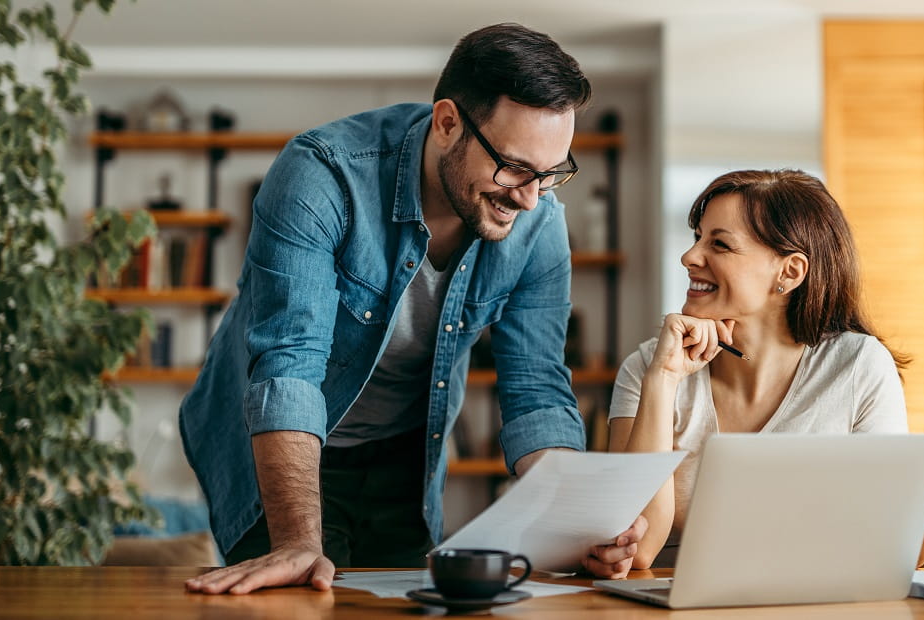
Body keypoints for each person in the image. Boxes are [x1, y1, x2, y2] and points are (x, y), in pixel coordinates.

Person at [178, 23, 643, 595]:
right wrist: (299, 540)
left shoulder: (539, 221)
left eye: (550, 173)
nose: (529, 198)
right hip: (284, 452)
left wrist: (580, 527)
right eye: (516, 167)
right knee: (297, 600)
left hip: (403, 457)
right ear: (448, 123)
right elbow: (289, 364)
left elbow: (538, 390)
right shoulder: (322, 175)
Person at [599, 169, 924, 571]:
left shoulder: (859, 367)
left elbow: (882, 556)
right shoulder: (649, 365)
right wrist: (663, 381)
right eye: (697, 237)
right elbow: (638, 550)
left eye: (720, 244)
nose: (690, 257)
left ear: (790, 272)